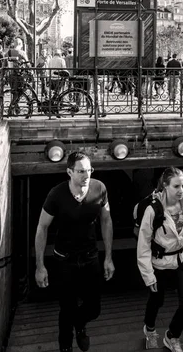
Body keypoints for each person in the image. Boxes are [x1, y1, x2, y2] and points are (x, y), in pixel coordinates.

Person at [34, 151, 114, 352]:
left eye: (89, 170)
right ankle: (66, 345)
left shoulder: (100, 188)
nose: (86, 175)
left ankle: (79, 324)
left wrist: (109, 258)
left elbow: (106, 220)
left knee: (94, 308)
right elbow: (42, 227)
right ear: (69, 172)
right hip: (64, 261)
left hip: (90, 258)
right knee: (67, 308)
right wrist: (40, 266)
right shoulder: (57, 194)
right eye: (80, 171)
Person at [137, 167, 183, 352]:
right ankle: (149, 329)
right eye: (176, 186)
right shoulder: (153, 209)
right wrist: (148, 276)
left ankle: (172, 336)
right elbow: (143, 245)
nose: (181, 190)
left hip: (181, 259)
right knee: (157, 301)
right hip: (160, 263)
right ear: (165, 185)